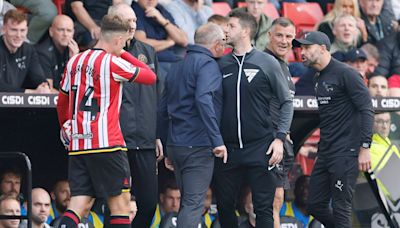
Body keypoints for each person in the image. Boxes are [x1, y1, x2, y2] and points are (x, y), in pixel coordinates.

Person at [56, 14, 156, 228]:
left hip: (79, 143)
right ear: (119, 40)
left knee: (79, 204)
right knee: (120, 206)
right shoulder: (113, 63)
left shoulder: (74, 61)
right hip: (108, 144)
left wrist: (65, 126)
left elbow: (62, 102)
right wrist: (124, 54)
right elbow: (150, 77)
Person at [214, 11, 293, 228]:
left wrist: (279, 139)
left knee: (263, 209)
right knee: (224, 206)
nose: (226, 30)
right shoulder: (221, 63)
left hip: (260, 147)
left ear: (245, 31)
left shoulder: (267, 62)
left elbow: (286, 102)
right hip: (228, 149)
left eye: (231, 25)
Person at [292, 31, 373, 227]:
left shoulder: (347, 73)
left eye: (307, 47)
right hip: (326, 151)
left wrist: (365, 148)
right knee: (314, 205)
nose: (302, 52)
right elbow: (328, 118)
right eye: (300, 48)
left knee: (341, 208)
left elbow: (366, 109)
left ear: (322, 49)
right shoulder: (317, 78)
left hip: (346, 152)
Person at [157, 22, 227, 228]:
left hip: (176, 145)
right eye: (223, 41)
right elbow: (204, 99)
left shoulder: (177, 65)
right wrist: (217, 140)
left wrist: (165, 144)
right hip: (198, 144)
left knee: (187, 202)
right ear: (216, 44)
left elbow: (162, 109)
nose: (225, 46)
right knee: (193, 204)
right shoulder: (208, 65)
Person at [107, 3, 162, 228]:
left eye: (134, 21)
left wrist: (157, 134)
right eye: (126, 21)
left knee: (149, 203)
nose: (132, 25)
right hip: (117, 142)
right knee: (115, 205)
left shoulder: (147, 51)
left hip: (146, 141)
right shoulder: (104, 53)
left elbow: (157, 96)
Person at [264, 17, 296, 228]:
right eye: (279, 35)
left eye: (289, 37)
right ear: (269, 36)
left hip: (281, 141)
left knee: (276, 201)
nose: (284, 41)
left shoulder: (283, 65)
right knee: (271, 201)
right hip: (269, 141)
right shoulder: (264, 62)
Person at [132, 0, 189, 76]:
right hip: (155, 63)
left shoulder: (160, 10)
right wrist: (169, 42)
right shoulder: (133, 12)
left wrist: (163, 21)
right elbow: (141, 46)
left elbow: (184, 40)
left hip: (175, 58)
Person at [0, 9, 50, 93]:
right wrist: (30, 93)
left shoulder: (29, 50)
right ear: (3, 29)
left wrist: (44, 86)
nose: (18, 35)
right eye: (14, 30)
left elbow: (38, 77)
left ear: (27, 30)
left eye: (22, 30)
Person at [36, 15, 79, 93]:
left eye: (69, 30)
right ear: (51, 32)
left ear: (73, 33)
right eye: (61, 30)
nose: (65, 34)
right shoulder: (43, 52)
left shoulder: (73, 51)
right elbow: (48, 90)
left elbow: (79, 85)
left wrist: (74, 60)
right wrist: (68, 99)